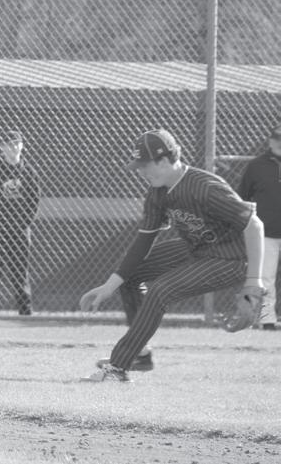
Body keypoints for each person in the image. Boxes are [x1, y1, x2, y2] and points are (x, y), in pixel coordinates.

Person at [80, 129, 265, 382]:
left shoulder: (204, 187)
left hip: (231, 258)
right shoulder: (157, 192)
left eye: (145, 165)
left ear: (165, 160)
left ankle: (117, 368)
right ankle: (139, 354)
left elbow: (254, 225)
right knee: (130, 275)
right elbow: (143, 241)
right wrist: (109, 286)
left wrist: (253, 282)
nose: (140, 172)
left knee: (161, 290)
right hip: (197, 248)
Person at [0, 130, 40, 315]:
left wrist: (22, 224)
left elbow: (34, 201)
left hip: (20, 230)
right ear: (1, 148)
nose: (13, 147)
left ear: (22, 146)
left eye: (16, 143)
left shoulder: (29, 172)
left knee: (20, 271)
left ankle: (25, 309)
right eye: (8, 144)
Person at [237, 123, 281, 330]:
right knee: (265, 279)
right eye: (277, 139)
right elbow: (242, 197)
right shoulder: (256, 166)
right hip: (267, 232)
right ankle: (267, 320)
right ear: (270, 141)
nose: (280, 143)